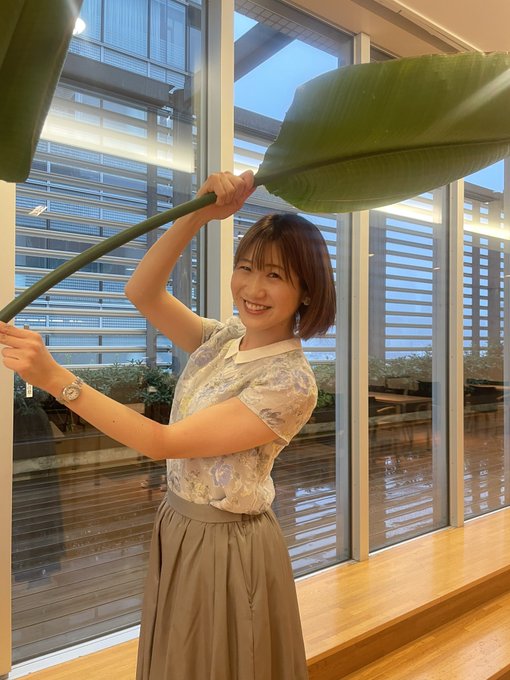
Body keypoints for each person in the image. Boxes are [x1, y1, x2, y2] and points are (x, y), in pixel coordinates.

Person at [0, 170, 336, 680]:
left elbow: (162, 442)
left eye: (275, 276)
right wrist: (198, 215)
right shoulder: (224, 340)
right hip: (178, 524)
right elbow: (143, 291)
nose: (253, 288)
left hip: (226, 544)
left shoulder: (289, 382)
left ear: (306, 292)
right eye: (246, 267)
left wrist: (54, 379)